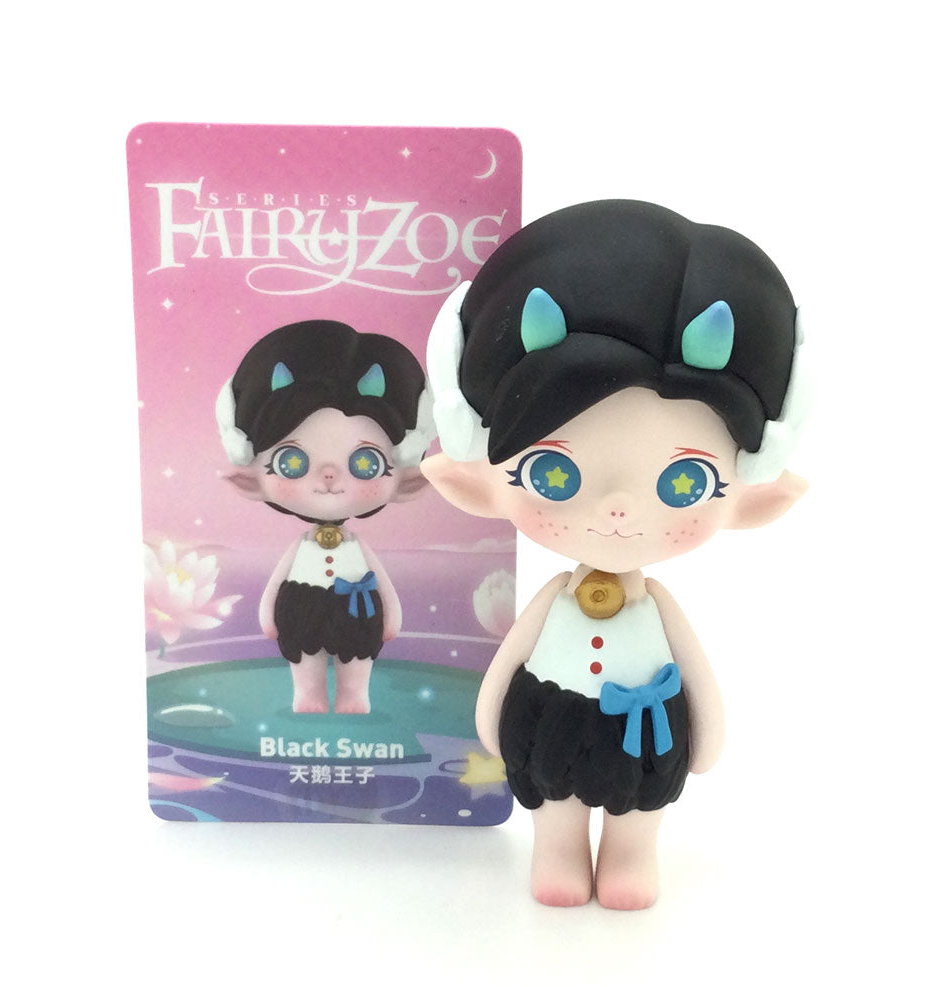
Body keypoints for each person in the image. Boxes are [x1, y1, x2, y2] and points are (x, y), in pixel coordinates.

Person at [422, 200, 811, 908]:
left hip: (646, 725)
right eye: (552, 474)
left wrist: (707, 738)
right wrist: (493, 724)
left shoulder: (657, 605)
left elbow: (692, 667)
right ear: (473, 481)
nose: (618, 509)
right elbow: (515, 655)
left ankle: (631, 856)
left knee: (640, 809)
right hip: (551, 714)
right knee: (553, 802)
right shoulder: (554, 600)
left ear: (755, 499)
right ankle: (558, 850)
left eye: (686, 483)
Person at [217, 320, 433, 713]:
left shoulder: (356, 545)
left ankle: (355, 699)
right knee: (304, 665)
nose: (330, 477)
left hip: (358, 607)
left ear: (406, 481)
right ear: (250, 477)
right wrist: (269, 615)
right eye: (292, 461)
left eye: (365, 462)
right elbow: (278, 581)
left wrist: (391, 619)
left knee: (357, 667)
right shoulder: (300, 546)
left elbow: (382, 583)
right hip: (302, 605)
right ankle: (307, 699)